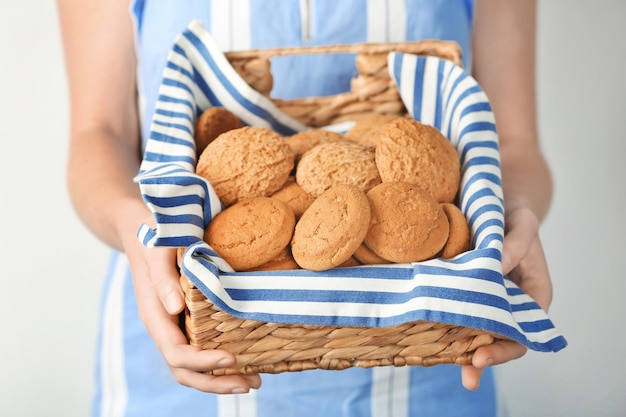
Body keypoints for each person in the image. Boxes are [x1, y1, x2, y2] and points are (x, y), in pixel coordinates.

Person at [56, 0, 553, 416]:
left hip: (429, 364)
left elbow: (513, 143)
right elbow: (97, 135)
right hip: (189, 349)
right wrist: (136, 225)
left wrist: (513, 220)